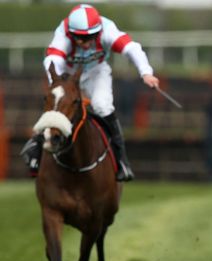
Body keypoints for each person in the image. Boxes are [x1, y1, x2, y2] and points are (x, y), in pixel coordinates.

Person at [20, 3, 159, 181]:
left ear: (98, 32)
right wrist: (57, 83)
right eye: (80, 38)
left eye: (90, 37)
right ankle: (35, 149)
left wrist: (146, 72)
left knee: (102, 106)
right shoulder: (63, 33)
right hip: (68, 74)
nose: (85, 43)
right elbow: (53, 59)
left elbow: (132, 48)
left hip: (96, 72)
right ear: (71, 34)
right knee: (58, 102)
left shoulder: (108, 30)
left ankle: (121, 160)